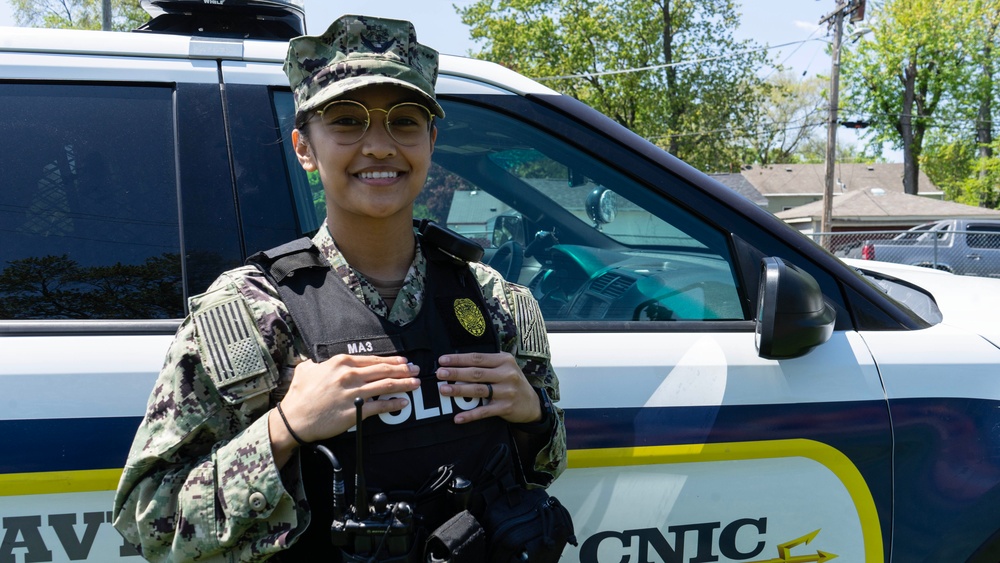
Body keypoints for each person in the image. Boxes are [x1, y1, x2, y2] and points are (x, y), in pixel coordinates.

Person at [112, 13, 566, 562]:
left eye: (404, 122)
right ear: (305, 147)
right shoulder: (249, 314)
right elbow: (148, 524)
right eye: (348, 121)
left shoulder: (497, 301)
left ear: (430, 141)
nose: (379, 146)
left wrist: (535, 418)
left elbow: (546, 465)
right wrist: (283, 430)